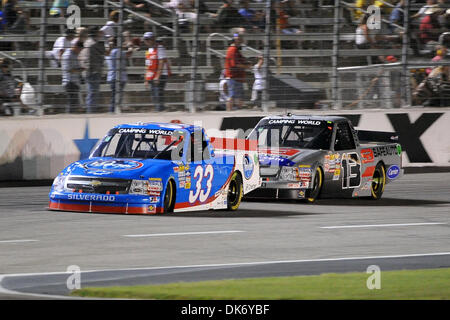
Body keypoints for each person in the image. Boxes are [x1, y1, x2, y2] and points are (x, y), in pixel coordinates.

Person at [79, 26, 105, 113]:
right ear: (96, 33)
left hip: (91, 71)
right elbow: (89, 59)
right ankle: (90, 111)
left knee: (92, 92)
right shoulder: (92, 44)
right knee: (92, 93)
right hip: (92, 72)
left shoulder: (88, 42)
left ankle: (91, 110)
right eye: (99, 32)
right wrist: (92, 70)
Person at [144, 32, 171, 112]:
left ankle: (160, 110)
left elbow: (161, 62)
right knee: (154, 94)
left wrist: (157, 76)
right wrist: (146, 79)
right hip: (152, 75)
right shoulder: (149, 50)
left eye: (149, 39)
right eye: (146, 39)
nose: (147, 41)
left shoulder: (160, 48)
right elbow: (148, 65)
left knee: (158, 93)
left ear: (153, 39)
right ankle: (158, 109)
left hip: (161, 74)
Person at [106, 37, 134, 113]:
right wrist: (130, 46)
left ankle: (112, 110)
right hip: (118, 77)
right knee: (117, 96)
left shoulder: (111, 52)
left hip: (112, 76)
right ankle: (113, 111)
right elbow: (129, 53)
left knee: (114, 95)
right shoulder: (117, 51)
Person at [224, 33, 251, 111]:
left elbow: (240, 62)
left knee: (239, 96)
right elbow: (235, 64)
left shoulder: (236, 50)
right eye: (239, 40)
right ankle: (229, 113)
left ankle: (238, 112)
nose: (241, 41)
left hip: (238, 78)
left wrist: (246, 63)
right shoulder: (232, 50)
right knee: (232, 96)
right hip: (233, 77)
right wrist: (246, 66)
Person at [61, 40, 84, 113]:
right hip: (69, 82)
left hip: (74, 82)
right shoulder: (68, 55)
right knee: (71, 103)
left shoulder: (74, 55)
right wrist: (80, 69)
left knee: (74, 103)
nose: (80, 52)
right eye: (80, 50)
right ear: (76, 47)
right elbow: (68, 70)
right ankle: (69, 117)